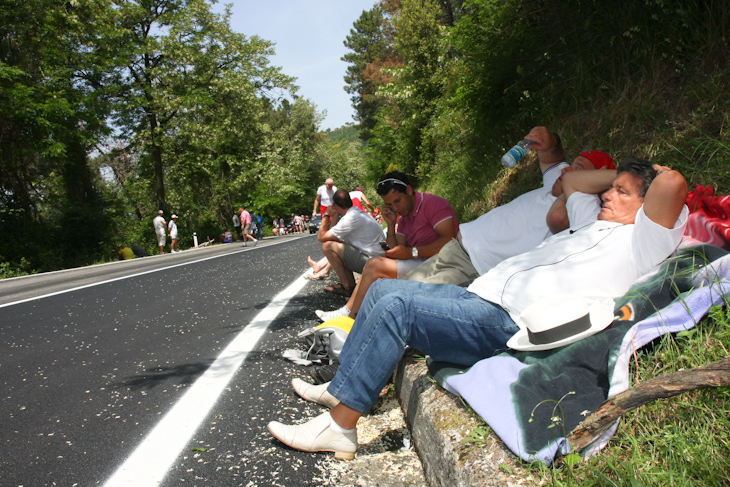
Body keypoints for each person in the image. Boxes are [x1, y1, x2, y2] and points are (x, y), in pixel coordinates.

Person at [267, 159, 689, 460]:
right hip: (480, 296)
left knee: (396, 305)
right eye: (611, 187)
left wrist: (646, 178)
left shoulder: (645, 241)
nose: (608, 194)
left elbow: (671, 183)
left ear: (648, 204)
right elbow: (575, 181)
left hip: (507, 320)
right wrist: (620, 178)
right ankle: (342, 386)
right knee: (380, 292)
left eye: (621, 191)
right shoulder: (590, 222)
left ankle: (340, 426)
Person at [404, 127, 615, 287]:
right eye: (572, 165)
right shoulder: (555, 185)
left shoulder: (580, 211)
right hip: (456, 248)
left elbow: (559, 217)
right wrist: (550, 140)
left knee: (400, 302)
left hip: (473, 267)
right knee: (396, 290)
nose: (567, 170)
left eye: (578, 170)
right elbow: (552, 153)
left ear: (593, 182)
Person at [315, 171, 459, 322]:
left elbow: (449, 240)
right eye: (390, 204)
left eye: (397, 201)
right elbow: (395, 249)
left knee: (374, 264)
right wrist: (391, 224)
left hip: (443, 261)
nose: (396, 208)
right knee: (375, 264)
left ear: (409, 190)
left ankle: (348, 317)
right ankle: (349, 312)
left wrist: (412, 252)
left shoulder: (432, 203)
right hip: (421, 261)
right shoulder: (403, 218)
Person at [314, 189, 387, 295]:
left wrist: (326, 215)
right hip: (380, 260)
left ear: (336, 206)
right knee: (339, 245)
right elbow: (332, 236)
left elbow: (322, 237)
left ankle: (348, 287)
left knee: (328, 247)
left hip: (373, 264)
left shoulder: (350, 219)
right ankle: (349, 284)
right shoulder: (357, 213)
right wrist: (334, 215)